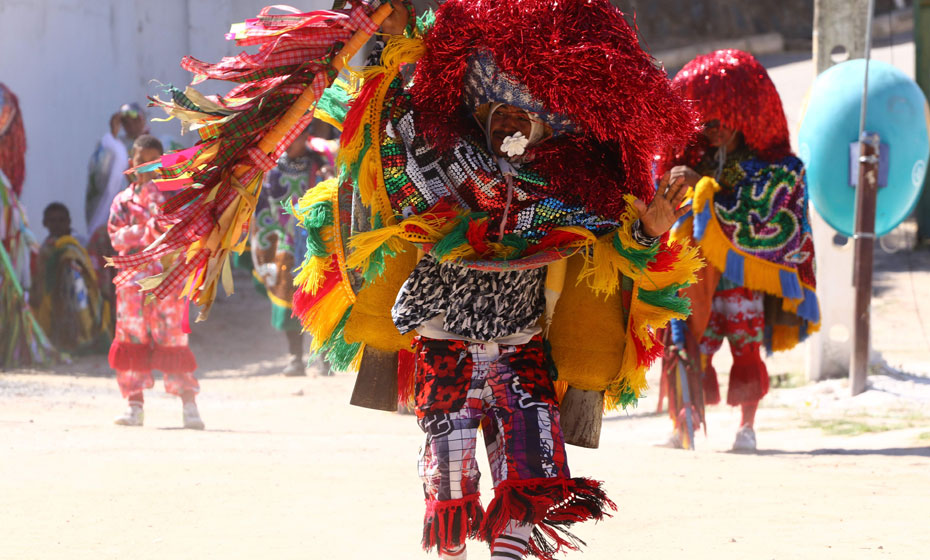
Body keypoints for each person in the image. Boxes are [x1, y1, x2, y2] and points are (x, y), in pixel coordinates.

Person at [287, 1, 698, 558]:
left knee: (531, 477)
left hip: (521, 348)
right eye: (499, 113)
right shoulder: (432, 164)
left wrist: (649, 231)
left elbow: (610, 250)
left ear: (546, 126)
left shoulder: (572, 196)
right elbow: (389, 118)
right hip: (443, 341)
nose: (508, 125)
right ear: (478, 112)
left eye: (523, 117)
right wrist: (395, 42)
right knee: (451, 480)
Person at [657, 50, 820, 451]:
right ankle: (686, 423)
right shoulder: (697, 159)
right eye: (705, 123)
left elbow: (759, 211)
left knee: (745, 348)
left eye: (717, 122)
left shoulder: (773, 167)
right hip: (699, 273)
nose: (710, 131)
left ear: (741, 115)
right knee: (696, 344)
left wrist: (703, 186)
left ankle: (747, 428)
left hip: (744, 275)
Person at [107, 135, 203, 429]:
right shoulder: (122, 201)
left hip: (167, 284)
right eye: (140, 161)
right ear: (131, 164)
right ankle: (134, 405)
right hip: (132, 285)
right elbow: (116, 237)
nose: (146, 167)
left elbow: (181, 234)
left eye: (152, 161)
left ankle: (189, 404)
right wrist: (146, 230)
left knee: (173, 339)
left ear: (162, 164)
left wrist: (156, 216)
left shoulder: (174, 197)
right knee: (131, 341)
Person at [251, 126, 335, 376]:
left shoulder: (319, 165)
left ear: (304, 137)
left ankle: (322, 354)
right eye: (285, 135)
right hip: (284, 244)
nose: (289, 140)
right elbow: (262, 207)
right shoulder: (272, 168)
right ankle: (295, 357)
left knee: (319, 299)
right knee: (288, 298)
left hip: (317, 243)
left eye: (294, 136)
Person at [86, 103, 150, 330]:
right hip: (118, 223)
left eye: (135, 117)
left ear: (144, 119)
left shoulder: (156, 147)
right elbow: (98, 179)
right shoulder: (116, 149)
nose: (130, 123)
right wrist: (111, 137)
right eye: (125, 119)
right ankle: (110, 323)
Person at [31, 203, 110, 353]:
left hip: (79, 293)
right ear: (45, 223)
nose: (57, 225)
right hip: (53, 297)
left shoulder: (78, 243)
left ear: (69, 221)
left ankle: (83, 338)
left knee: (81, 320)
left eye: (61, 220)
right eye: (52, 221)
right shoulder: (45, 247)